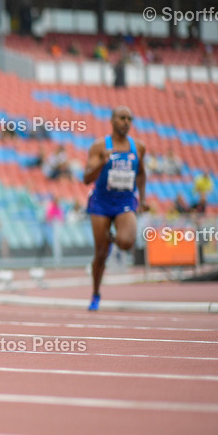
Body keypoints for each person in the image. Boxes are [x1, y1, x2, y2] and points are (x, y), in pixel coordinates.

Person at [82, 106, 148, 311]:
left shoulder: (138, 147)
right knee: (101, 254)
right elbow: (86, 178)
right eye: (122, 118)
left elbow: (141, 174)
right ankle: (95, 293)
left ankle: (112, 237)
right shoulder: (99, 146)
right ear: (111, 121)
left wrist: (143, 199)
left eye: (129, 118)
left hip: (125, 201)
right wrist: (102, 162)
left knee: (127, 242)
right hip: (101, 203)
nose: (126, 122)